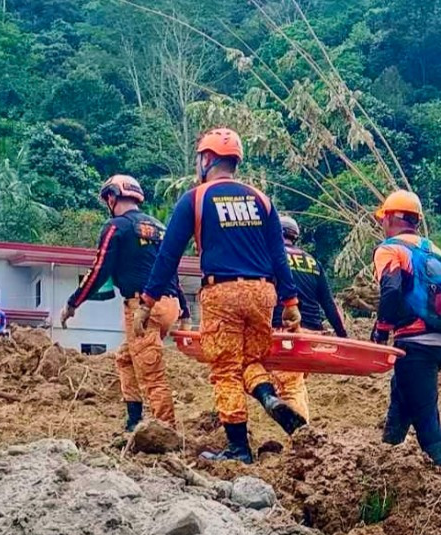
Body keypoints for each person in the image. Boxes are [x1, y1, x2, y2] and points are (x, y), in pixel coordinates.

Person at [142, 127, 303, 464]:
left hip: (222, 292)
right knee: (250, 359)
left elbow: (168, 255)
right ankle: (268, 396)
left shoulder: (196, 198)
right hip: (263, 292)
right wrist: (291, 304)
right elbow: (279, 256)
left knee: (225, 369)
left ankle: (239, 449)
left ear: (206, 159)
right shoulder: (262, 200)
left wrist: (148, 300)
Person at [59, 174, 190, 431]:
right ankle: (133, 420)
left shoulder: (116, 227)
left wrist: (73, 303)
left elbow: (99, 270)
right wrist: (184, 307)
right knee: (125, 358)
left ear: (111, 197)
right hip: (169, 305)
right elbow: (170, 268)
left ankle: (167, 430)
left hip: (143, 308)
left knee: (151, 372)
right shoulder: (159, 228)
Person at [370, 190, 441, 482]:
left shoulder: (390, 249)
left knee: (427, 421)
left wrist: (381, 331)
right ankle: (382, 471)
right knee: (402, 402)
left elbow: (390, 290)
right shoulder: (434, 250)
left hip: (416, 343)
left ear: (389, 218)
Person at [271, 215, 348, 420]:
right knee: (295, 381)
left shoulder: (272, 258)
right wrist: (343, 337)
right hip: (312, 334)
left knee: (289, 386)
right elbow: (329, 305)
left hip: (286, 331)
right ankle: (300, 431)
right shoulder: (313, 263)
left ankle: (301, 436)